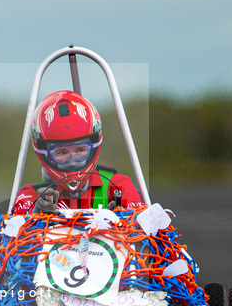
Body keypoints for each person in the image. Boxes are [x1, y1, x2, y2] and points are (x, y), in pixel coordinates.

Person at [12, 90, 144, 215]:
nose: (72, 160)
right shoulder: (31, 194)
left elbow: (147, 230)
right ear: (45, 154)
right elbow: (14, 229)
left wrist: (123, 217)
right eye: (61, 153)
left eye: (80, 150)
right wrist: (36, 215)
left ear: (92, 147)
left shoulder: (118, 186)